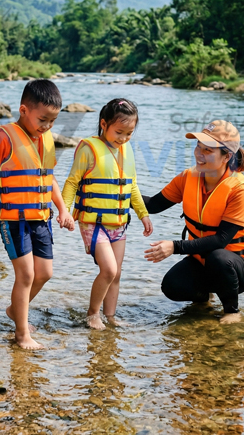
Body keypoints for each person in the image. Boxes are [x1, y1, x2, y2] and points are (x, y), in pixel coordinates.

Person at [0, 79, 75, 350]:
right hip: (13, 218)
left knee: (44, 273)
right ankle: (22, 334)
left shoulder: (45, 139)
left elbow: (48, 178)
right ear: (23, 110)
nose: (47, 126)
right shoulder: (4, 135)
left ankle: (14, 311)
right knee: (26, 275)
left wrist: (63, 209)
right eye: (43, 119)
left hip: (41, 216)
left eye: (53, 121)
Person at [143, 120, 244, 324]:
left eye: (207, 150)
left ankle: (232, 311)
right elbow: (153, 205)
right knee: (172, 286)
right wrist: (120, 191)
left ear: (227, 156)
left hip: (238, 267)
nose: (199, 153)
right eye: (198, 146)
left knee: (219, 257)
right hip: (202, 260)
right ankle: (205, 298)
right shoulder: (188, 177)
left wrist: (175, 247)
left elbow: (221, 240)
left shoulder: (240, 190)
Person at [62, 99, 153, 330]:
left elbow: (131, 186)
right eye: (119, 132)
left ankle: (110, 317)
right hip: (93, 222)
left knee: (117, 273)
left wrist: (143, 214)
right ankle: (93, 314)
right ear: (103, 124)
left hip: (119, 222)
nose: (123, 138)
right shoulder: (88, 148)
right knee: (109, 270)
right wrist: (64, 210)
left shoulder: (127, 149)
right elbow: (72, 182)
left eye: (129, 133)